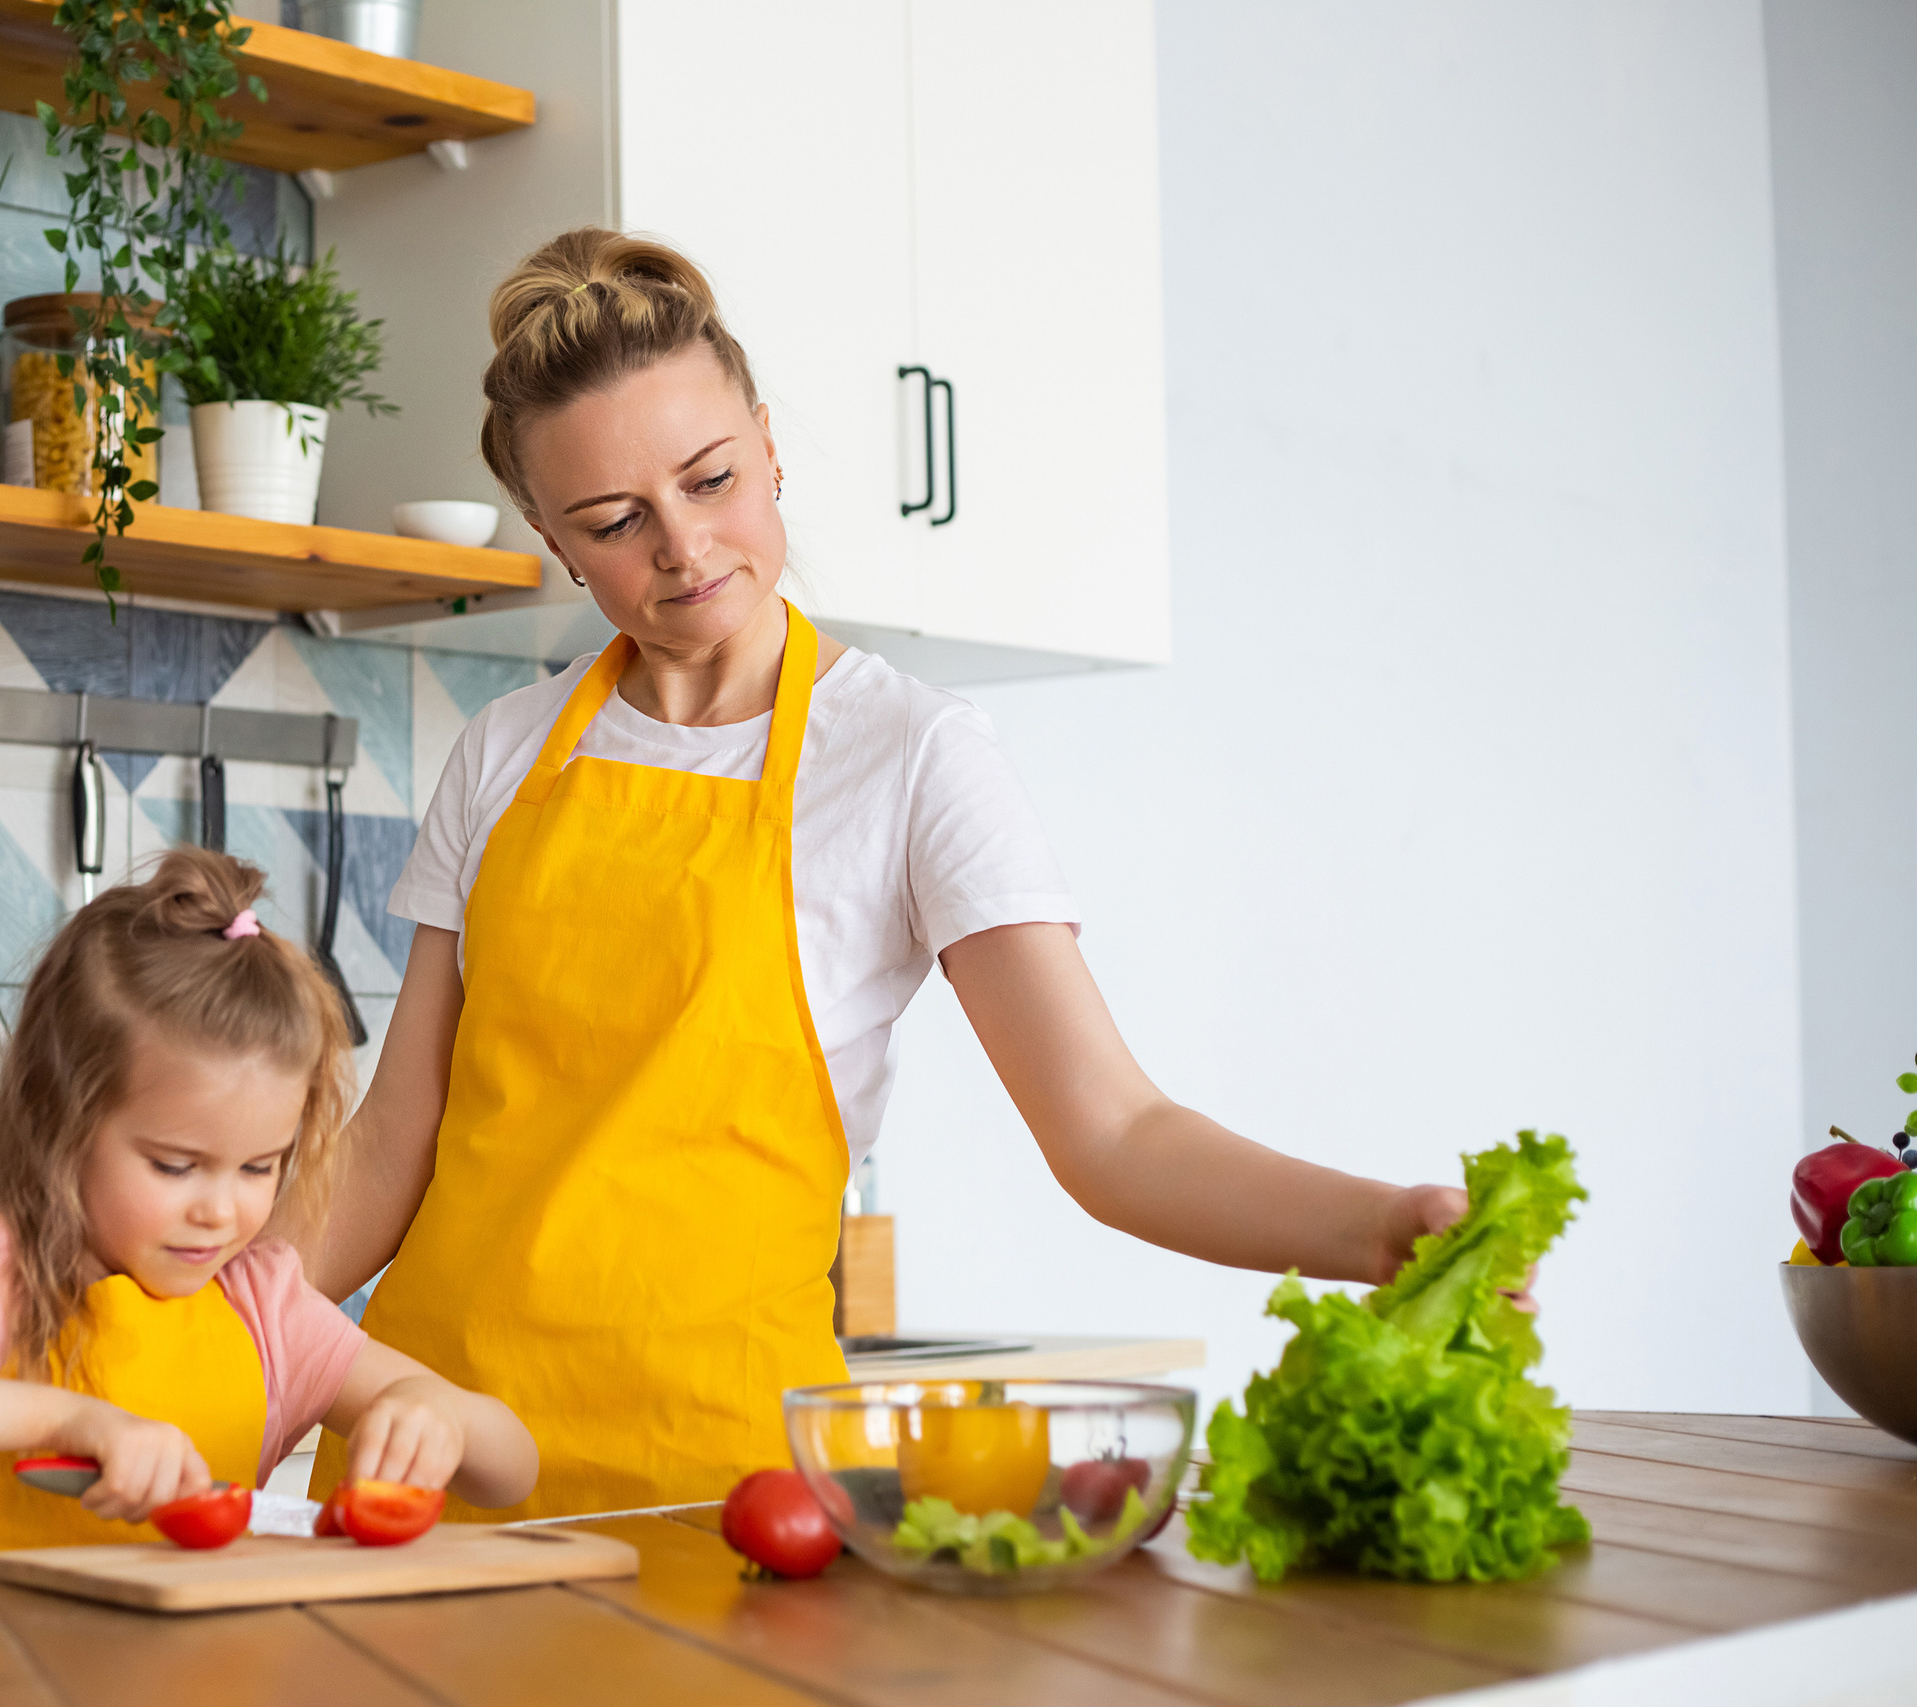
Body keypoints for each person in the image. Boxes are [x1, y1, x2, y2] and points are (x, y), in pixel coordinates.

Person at [272, 226, 1475, 1522]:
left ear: (772, 444)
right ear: (555, 540)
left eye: (712, 478)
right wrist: (201, 1340)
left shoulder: (913, 753)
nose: (683, 546)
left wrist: (1381, 1224)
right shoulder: (506, 750)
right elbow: (394, 1142)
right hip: (436, 1462)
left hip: (722, 1486)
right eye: (615, 521)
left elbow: (1113, 1132)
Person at [0, 849, 536, 1580]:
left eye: (260, 1166)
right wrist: (67, 1416)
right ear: (60, 1118)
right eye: (175, 1165)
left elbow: (513, 1467)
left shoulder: (264, 1308)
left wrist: (439, 1419)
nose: (221, 1209)